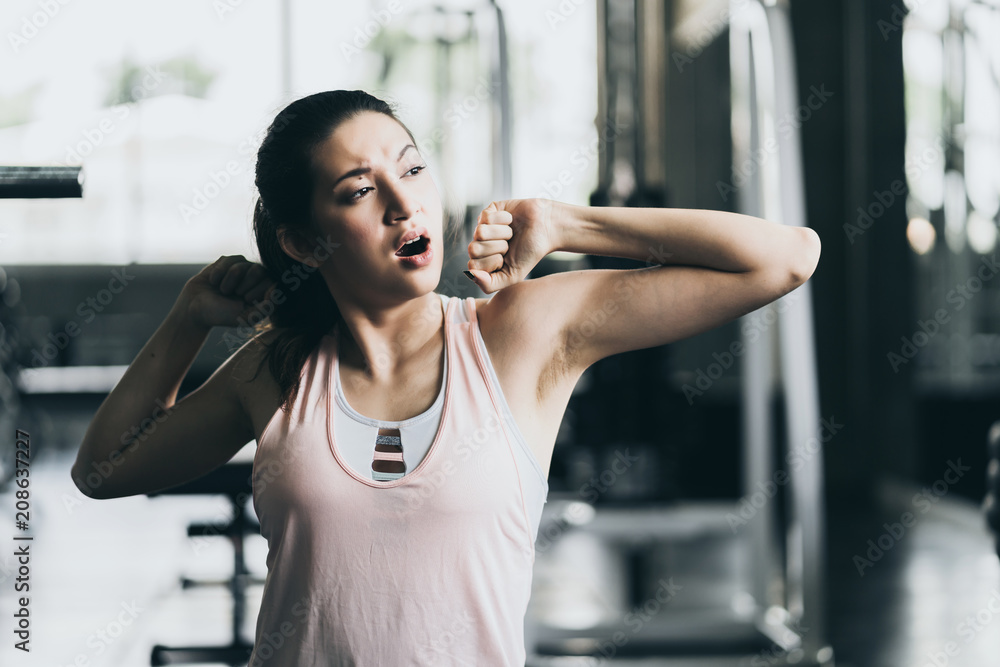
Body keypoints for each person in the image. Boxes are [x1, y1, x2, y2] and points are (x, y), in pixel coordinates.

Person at [71, 89, 821, 665]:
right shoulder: (277, 367)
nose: (406, 204)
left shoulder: (522, 333)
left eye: (413, 167)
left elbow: (786, 256)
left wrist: (567, 225)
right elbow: (102, 470)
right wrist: (186, 320)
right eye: (360, 191)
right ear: (303, 240)